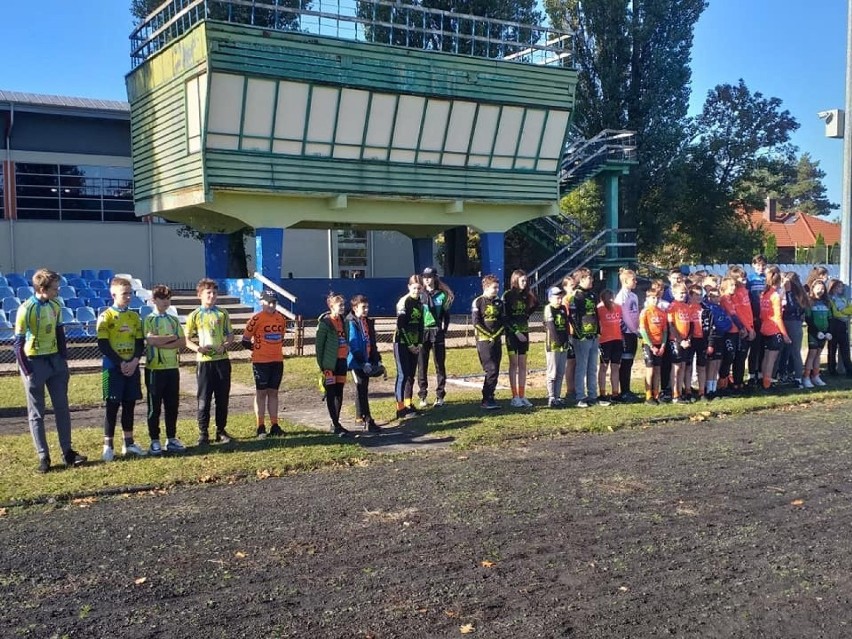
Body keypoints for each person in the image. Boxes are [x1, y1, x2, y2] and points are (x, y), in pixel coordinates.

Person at [14, 268, 86, 473]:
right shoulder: (26, 309)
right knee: (37, 413)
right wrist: (27, 371)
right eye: (55, 288)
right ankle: (43, 456)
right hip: (34, 363)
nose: (58, 291)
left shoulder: (56, 304)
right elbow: (17, 344)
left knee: (62, 408)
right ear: (42, 288)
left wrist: (63, 360)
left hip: (55, 362)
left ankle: (68, 452)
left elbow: (59, 332)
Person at [97, 276, 145, 461]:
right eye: (124, 294)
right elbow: (103, 344)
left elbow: (140, 343)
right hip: (112, 368)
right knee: (112, 405)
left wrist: (133, 361)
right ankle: (108, 445)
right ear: (113, 294)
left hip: (132, 367)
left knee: (129, 404)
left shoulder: (134, 316)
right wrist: (120, 362)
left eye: (130, 293)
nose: (128, 297)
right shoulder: (106, 316)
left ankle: (129, 443)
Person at [185, 278, 235, 445]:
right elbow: (186, 339)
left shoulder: (223, 313)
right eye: (208, 293)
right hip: (204, 362)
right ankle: (203, 432)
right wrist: (198, 348)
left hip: (222, 361)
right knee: (204, 398)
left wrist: (226, 345)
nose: (212, 295)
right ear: (200, 295)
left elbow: (230, 334)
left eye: (214, 292)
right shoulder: (194, 315)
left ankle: (221, 430)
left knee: (222, 398)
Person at [143, 284, 187, 455]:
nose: (166, 302)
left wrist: (166, 341)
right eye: (162, 298)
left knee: (172, 405)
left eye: (168, 298)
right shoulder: (149, 320)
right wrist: (172, 338)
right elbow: (151, 341)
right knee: (155, 406)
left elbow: (182, 342)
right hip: (154, 368)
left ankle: (171, 437)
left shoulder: (173, 319)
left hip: (172, 368)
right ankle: (154, 439)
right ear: (154, 300)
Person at [242, 289, 287, 439]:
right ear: (262, 302)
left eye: (274, 302)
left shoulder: (281, 319)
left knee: (273, 392)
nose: (271, 305)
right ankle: (260, 426)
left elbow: (281, 336)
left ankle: (274, 424)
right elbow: (245, 340)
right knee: (261, 393)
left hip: (277, 360)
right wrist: (257, 350)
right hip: (261, 362)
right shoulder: (256, 319)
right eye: (269, 302)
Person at [417, 267, 453, 408]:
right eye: (425, 277)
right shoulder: (419, 294)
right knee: (422, 364)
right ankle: (422, 395)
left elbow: (446, 315)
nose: (427, 279)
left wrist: (444, 330)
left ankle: (440, 395)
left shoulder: (442, 295)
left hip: (436, 331)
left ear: (435, 278)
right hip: (423, 331)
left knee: (439, 364)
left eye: (430, 276)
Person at [315, 292, 351, 436]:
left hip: (342, 361)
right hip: (330, 364)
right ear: (331, 306)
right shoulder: (325, 323)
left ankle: (336, 422)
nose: (342, 307)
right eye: (339, 305)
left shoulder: (344, 321)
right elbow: (319, 346)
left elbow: (346, 338)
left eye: (343, 304)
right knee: (331, 391)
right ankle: (335, 424)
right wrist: (323, 366)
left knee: (339, 392)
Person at [346, 294, 382, 432]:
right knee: (361, 387)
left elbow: (371, 341)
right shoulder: (351, 322)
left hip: (366, 359)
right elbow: (353, 344)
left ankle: (360, 417)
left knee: (363, 388)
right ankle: (366, 418)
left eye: (367, 306)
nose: (366, 309)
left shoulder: (366, 321)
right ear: (355, 308)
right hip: (356, 361)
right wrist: (362, 363)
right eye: (363, 307)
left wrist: (376, 359)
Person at [503, 269, 536, 408]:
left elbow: (535, 305)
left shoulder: (526, 295)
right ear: (515, 280)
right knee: (514, 364)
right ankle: (514, 396)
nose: (525, 283)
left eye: (526, 280)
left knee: (523, 365)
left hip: (525, 333)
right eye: (522, 280)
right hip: (512, 334)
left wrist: (526, 316)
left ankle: (522, 395)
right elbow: (505, 317)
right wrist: (516, 331)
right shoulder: (508, 295)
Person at [472, 274, 505, 410]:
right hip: (484, 340)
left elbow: (503, 321)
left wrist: (496, 335)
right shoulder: (478, 302)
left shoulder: (499, 302)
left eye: (497, 287)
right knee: (490, 368)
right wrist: (489, 335)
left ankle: (490, 396)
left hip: (496, 340)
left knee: (496, 369)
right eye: (494, 287)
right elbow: (476, 323)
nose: (497, 290)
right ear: (486, 287)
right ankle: (486, 398)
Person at [394, 276, 425, 419]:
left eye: (419, 288)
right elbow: (401, 326)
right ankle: (400, 408)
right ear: (409, 287)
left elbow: (421, 325)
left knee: (411, 376)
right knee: (403, 374)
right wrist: (410, 344)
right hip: (401, 343)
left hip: (414, 343)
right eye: (414, 288)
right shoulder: (404, 302)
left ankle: (408, 403)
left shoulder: (420, 302)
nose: (417, 291)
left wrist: (419, 343)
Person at [569, 268, 600, 408]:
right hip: (582, 337)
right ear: (581, 279)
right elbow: (573, 317)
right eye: (589, 278)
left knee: (593, 367)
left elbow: (596, 314)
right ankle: (580, 396)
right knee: (581, 367)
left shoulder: (592, 295)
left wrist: (598, 331)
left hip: (594, 335)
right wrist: (580, 334)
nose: (591, 280)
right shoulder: (576, 295)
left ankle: (593, 395)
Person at [758, 266, 791, 391]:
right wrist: (785, 334)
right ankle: (768, 383)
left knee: (766, 356)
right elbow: (778, 317)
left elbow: (762, 314)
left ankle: (762, 380)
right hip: (774, 329)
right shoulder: (775, 296)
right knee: (772, 358)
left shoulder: (764, 294)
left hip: (764, 326)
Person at [702, 287, 734, 400]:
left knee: (717, 364)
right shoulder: (709, 308)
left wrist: (725, 326)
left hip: (721, 336)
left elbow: (727, 322)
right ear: (709, 297)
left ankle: (714, 388)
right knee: (711, 364)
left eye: (717, 296)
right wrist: (723, 325)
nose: (716, 298)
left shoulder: (720, 308)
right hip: (713, 337)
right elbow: (716, 323)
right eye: (713, 296)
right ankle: (709, 389)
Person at [638, 282, 667, 405]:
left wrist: (663, 345)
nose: (655, 300)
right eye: (652, 298)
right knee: (650, 370)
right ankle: (648, 395)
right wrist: (651, 346)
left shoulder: (661, 312)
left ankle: (656, 393)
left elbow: (665, 331)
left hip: (660, 344)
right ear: (647, 298)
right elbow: (643, 330)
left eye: (657, 298)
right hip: (649, 345)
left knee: (658, 370)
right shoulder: (645, 312)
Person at [614, 268, 640, 402]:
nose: (635, 281)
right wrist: (633, 330)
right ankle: (623, 391)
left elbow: (636, 314)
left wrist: (638, 328)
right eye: (633, 279)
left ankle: (627, 389)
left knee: (630, 362)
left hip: (634, 332)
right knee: (625, 362)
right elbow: (623, 316)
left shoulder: (634, 296)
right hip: (625, 333)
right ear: (625, 281)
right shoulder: (621, 296)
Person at [778, 272, 808, 387]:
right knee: (781, 351)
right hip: (781, 321)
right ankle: (779, 375)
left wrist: (789, 291)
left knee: (795, 351)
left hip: (793, 321)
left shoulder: (798, 294)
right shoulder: (781, 291)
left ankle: (798, 378)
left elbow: (794, 308)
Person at [543, 286, 570, 408]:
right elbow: (551, 327)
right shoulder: (548, 309)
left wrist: (566, 340)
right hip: (553, 345)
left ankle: (558, 396)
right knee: (552, 372)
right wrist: (559, 341)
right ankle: (551, 396)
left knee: (560, 372)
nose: (559, 300)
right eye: (557, 297)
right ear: (550, 298)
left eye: (560, 297)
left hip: (563, 345)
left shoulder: (563, 308)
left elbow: (566, 326)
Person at [666, 283, 693, 403]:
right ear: (674, 293)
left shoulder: (687, 307)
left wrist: (688, 339)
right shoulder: (672, 307)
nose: (683, 295)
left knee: (683, 366)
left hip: (686, 340)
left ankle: (680, 392)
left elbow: (691, 324)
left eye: (684, 293)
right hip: (675, 340)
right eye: (680, 293)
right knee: (676, 367)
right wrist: (680, 340)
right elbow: (671, 326)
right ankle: (674, 394)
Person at [803, 278, 831, 388]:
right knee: (812, 355)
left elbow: (830, 318)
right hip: (814, 333)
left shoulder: (826, 302)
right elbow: (808, 319)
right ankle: (806, 377)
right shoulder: (810, 302)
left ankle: (816, 376)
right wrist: (817, 331)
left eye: (822, 288)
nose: (820, 290)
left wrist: (828, 332)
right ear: (813, 289)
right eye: (818, 288)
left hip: (824, 333)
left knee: (818, 355)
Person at [596, 288, 622, 405]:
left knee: (615, 366)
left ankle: (615, 392)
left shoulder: (618, 307)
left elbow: (620, 322)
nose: (610, 300)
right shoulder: (600, 308)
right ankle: (602, 393)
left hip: (617, 339)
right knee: (604, 367)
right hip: (605, 340)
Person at [746, 255, 767, 384]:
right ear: (753, 265)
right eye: (758, 265)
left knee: (763, 347)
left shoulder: (767, 279)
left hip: (765, 317)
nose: (761, 268)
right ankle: (751, 373)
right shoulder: (750, 279)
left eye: (763, 265)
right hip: (754, 317)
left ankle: (760, 372)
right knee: (754, 347)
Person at [827, 279, 852, 377]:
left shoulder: (844, 299)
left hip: (843, 325)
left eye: (842, 287)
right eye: (838, 287)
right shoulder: (830, 299)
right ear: (833, 288)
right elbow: (835, 313)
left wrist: (843, 310)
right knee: (832, 349)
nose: (841, 289)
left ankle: (849, 369)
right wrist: (842, 311)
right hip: (833, 325)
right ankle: (832, 370)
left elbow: (850, 309)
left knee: (845, 348)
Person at [688, 285, 708, 401]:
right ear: (690, 296)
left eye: (701, 294)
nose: (699, 297)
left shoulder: (704, 309)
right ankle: (688, 391)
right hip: (691, 339)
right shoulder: (687, 308)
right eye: (696, 294)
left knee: (701, 366)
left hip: (702, 339)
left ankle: (702, 391)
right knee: (688, 366)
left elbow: (709, 326)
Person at [561, 274, 577, 402]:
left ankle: (577, 388)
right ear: (565, 287)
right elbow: (566, 318)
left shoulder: (577, 298)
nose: (574, 287)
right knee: (570, 362)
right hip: (570, 334)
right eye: (571, 285)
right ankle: (570, 389)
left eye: (575, 285)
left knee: (578, 362)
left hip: (579, 333)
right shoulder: (566, 300)